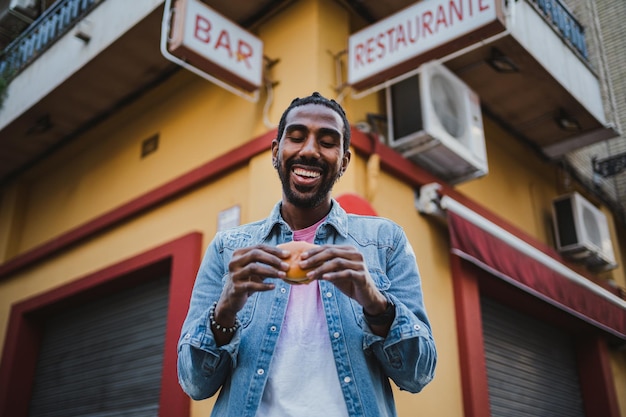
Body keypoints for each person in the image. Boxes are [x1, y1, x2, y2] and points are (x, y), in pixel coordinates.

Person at [177, 92, 437, 417]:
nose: (310, 150)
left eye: (328, 142)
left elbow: (418, 375)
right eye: (297, 137)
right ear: (276, 152)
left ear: (344, 161)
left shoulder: (385, 242)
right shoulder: (229, 249)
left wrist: (377, 306)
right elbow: (193, 384)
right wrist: (224, 313)